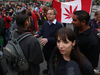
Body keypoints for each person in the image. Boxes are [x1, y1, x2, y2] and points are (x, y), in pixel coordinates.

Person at [34, 8, 63, 74]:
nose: (48, 15)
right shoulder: (45, 23)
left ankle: (52, 72)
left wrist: (48, 40)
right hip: (45, 47)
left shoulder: (59, 25)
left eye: (51, 14)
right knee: (47, 60)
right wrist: (38, 35)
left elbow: (59, 38)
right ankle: (48, 68)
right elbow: (42, 30)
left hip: (53, 48)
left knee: (53, 61)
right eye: (48, 14)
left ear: (55, 15)